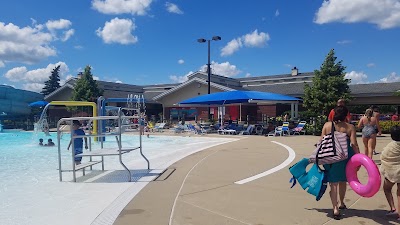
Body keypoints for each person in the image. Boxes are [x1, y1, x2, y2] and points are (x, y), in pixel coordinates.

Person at [319, 105, 360, 220]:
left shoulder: (327, 125)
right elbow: (353, 144)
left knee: (333, 183)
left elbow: (321, 141)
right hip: (345, 157)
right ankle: (341, 203)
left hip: (330, 156)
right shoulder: (350, 127)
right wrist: (359, 157)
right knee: (343, 181)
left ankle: (335, 208)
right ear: (346, 115)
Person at [380, 125, 400, 218]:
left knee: (387, 188)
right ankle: (399, 212)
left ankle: (393, 208)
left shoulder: (390, 146)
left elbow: (384, 157)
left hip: (391, 172)